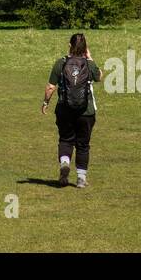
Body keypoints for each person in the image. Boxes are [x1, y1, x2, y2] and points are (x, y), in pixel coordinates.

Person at [42, 33, 102, 188]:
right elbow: (99, 77)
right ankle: (81, 179)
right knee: (83, 144)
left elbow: (50, 87)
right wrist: (90, 57)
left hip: (64, 109)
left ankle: (64, 163)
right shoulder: (89, 65)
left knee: (65, 139)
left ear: (69, 45)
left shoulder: (60, 63)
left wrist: (45, 102)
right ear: (85, 48)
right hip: (86, 112)